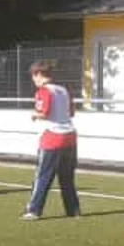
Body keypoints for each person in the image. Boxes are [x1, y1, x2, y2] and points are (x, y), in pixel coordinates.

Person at [22, 60, 80, 220]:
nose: (33, 80)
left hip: (53, 137)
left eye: (34, 76)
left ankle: (34, 210)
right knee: (67, 178)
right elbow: (72, 112)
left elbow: (44, 112)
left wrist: (34, 115)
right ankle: (73, 210)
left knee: (43, 176)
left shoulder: (43, 91)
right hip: (70, 136)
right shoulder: (63, 90)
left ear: (39, 74)